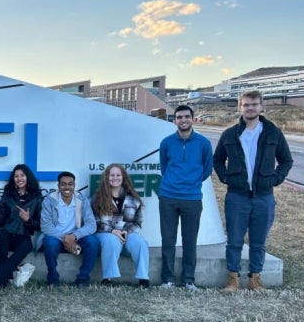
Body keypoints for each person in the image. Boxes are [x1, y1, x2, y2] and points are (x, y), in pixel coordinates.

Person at [214, 90, 293, 291]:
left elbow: (286, 160)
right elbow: (217, 160)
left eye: (254, 104)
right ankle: (233, 279)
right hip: (237, 196)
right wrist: (225, 177)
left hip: (263, 197)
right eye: (246, 105)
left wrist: (275, 179)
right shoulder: (230, 134)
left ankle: (254, 279)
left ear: (261, 106)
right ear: (240, 107)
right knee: (234, 240)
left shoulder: (273, 132)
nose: (250, 108)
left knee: (259, 241)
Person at [158, 105, 213, 291]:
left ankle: (189, 280)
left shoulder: (204, 143)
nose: (183, 120)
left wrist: (191, 182)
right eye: (179, 117)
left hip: (192, 198)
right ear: (174, 120)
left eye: (186, 117)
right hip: (168, 197)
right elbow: (164, 168)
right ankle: (167, 280)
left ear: (192, 119)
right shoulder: (166, 143)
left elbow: (206, 170)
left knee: (190, 240)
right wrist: (174, 183)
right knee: (168, 240)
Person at [0, 164, 42, 292]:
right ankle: (1, 280)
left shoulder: (37, 197)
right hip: (6, 233)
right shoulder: (8, 195)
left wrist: (28, 220)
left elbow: (40, 225)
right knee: (1, 236)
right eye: (16, 176)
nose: (19, 178)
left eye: (22, 175)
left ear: (28, 177)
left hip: (23, 236)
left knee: (26, 246)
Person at [91, 164, 150, 288]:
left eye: (118, 175)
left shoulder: (133, 199)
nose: (115, 178)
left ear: (123, 177)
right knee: (111, 240)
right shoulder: (98, 198)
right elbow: (95, 222)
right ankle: (108, 278)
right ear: (107, 177)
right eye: (112, 175)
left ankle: (143, 278)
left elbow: (138, 222)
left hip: (126, 233)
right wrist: (113, 231)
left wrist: (126, 232)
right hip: (105, 234)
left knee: (141, 242)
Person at [38, 171, 100, 287]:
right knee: (50, 244)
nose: (67, 187)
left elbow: (91, 225)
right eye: (63, 184)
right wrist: (65, 238)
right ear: (58, 186)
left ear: (74, 185)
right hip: (56, 236)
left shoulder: (82, 200)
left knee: (93, 242)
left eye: (70, 184)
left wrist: (75, 236)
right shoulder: (49, 200)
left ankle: (83, 279)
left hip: (75, 234)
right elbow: (46, 226)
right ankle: (53, 279)